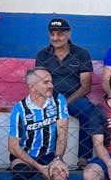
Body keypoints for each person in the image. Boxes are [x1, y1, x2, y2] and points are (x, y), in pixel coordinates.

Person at [5, 67, 70, 180]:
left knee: (60, 174)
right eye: (46, 82)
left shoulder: (58, 100)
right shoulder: (19, 109)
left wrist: (58, 159)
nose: (51, 85)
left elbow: (63, 133)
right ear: (32, 86)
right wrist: (39, 167)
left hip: (50, 154)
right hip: (25, 155)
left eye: (51, 81)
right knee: (19, 175)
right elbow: (13, 147)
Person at [35, 17, 97, 165]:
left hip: (75, 98)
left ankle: (84, 157)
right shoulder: (43, 55)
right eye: (52, 34)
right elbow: (39, 83)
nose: (55, 38)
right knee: (37, 112)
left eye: (60, 34)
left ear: (68, 34)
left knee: (89, 111)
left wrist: (64, 103)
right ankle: (45, 158)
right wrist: (52, 101)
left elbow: (86, 86)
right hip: (50, 98)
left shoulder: (81, 53)